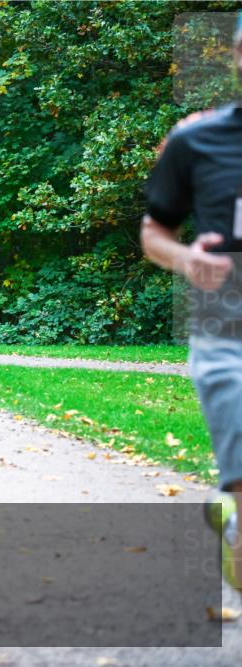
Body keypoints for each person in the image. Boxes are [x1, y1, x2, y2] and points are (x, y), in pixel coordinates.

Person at [140, 13, 242, 592]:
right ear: (235, 56)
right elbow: (154, 232)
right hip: (228, 334)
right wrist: (187, 260)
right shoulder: (198, 139)